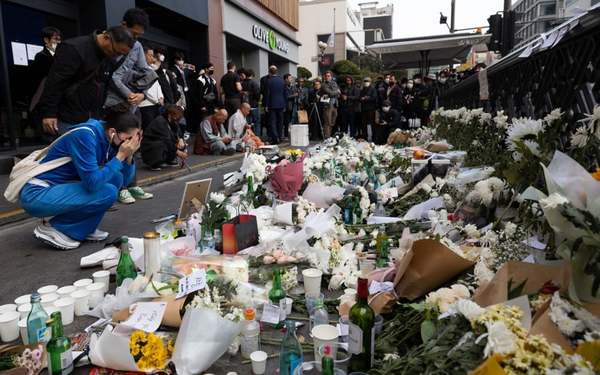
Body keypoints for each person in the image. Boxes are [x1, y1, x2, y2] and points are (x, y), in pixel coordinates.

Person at [19, 105, 141, 250]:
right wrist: (120, 156)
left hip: (60, 189)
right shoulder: (85, 135)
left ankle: (83, 228)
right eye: (128, 139)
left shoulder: (107, 139)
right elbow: (92, 184)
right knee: (107, 191)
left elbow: (124, 182)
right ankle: (55, 228)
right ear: (113, 132)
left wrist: (129, 156)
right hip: (37, 193)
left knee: (116, 178)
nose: (130, 144)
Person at [38, 26, 135, 135]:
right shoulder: (74, 48)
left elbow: (103, 85)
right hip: (68, 117)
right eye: (116, 52)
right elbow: (55, 83)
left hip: (92, 118)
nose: (116, 56)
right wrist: (49, 113)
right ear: (106, 37)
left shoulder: (109, 57)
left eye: (121, 54)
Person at [105, 8, 154, 205]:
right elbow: (111, 77)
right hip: (112, 103)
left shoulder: (138, 47)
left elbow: (145, 71)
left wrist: (142, 93)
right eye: (133, 34)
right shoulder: (110, 42)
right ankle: (119, 187)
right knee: (116, 145)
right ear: (124, 26)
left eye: (138, 36)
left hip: (132, 103)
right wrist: (128, 94)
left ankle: (132, 184)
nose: (134, 39)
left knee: (134, 143)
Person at [141, 104, 187, 170]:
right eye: (176, 117)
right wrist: (179, 153)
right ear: (169, 115)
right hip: (149, 146)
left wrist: (181, 139)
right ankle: (154, 163)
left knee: (176, 143)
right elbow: (167, 140)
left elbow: (178, 132)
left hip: (161, 142)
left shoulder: (172, 121)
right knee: (163, 144)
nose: (177, 120)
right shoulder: (160, 121)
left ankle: (168, 160)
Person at [29, 27, 61, 118]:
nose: (59, 42)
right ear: (46, 40)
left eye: (59, 39)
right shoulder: (41, 57)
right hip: (44, 101)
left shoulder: (59, 56)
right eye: (55, 39)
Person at [138, 45, 164, 130]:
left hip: (156, 104)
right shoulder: (139, 69)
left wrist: (161, 96)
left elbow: (157, 85)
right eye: (150, 55)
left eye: (153, 55)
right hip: (146, 105)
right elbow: (143, 88)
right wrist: (156, 100)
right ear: (143, 55)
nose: (152, 58)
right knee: (148, 130)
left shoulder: (151, 69)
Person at [264, 66, 287, 144]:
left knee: (273, 122)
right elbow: (285, 93)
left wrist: (266, 105)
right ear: (277, 71)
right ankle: (280, 137)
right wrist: (285, 105)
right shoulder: (282, 81)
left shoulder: (269, 81)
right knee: (280, 122)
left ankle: (275, 138)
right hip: (281, 104)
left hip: (272, 104)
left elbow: (267, 94)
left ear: (269, 72)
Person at [320, 71, 341, 139]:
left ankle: (329, 136)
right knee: (327, 122)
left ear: (331, 77)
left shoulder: (334, 83)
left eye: (329, 76)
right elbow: (330, 93)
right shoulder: (323, 84)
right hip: (328, 105)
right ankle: (327, 137)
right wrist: (336, 91)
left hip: (335, 105)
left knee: (332, 122)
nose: (327, 77)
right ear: (324, 77)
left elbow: (339, 93)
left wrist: (336, 92)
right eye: (326, 76)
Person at [242, 69, 261, 136]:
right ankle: (257, 138)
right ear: (252, 75)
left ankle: (249, 138)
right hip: (254, 105)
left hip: (245, 107)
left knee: (248, 124)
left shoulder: (242, 83)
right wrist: (257, 100)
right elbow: (257, 94)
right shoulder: (254, 83)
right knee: (256, 123)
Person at [283, 74, 298, 138]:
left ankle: (290, 134)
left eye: (291, 78)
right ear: (286, 79)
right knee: (286, 122)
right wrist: (294, 95)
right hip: (286, 107)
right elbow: (286, 96)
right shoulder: (283, 87)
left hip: (292, 106)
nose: (291, 80)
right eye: (290, 78)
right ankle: (286, 135)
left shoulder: (292, 86)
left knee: (291, 121)